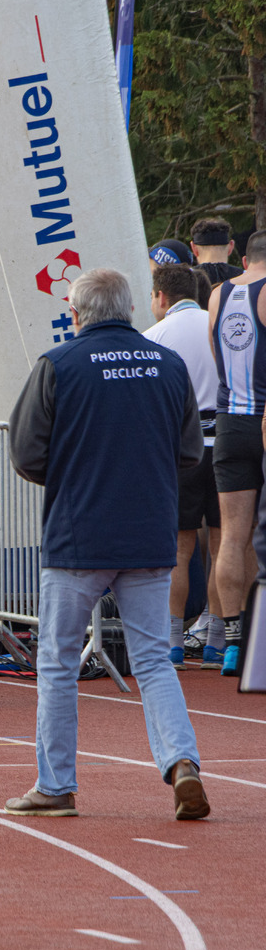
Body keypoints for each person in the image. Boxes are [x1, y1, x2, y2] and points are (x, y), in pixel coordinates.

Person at [6, 267, 209, 820]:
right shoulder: (168, 364)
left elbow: (25, 452)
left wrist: (73, 475)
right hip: (149, 532)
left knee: (58, 662)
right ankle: (182, 763)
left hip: (79, 535)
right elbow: (190, 452)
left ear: (74, 314)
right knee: (154, 661)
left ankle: (56, 785)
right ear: (132, 309)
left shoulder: (58, 364)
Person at [145, 264, 224, 669]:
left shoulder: (152, 337)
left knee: (178, 547)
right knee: (225, 545)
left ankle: (173, 642)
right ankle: (219, 641)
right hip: (227, 445)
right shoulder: (220, 325)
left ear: (161, 296)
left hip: (180, 451)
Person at [205, 230, 266, 676]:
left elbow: (217, 355)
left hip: (229, 422)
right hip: (262, 418)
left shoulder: (218, 293)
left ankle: (232, 643)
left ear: (244, 259)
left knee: (232, 536)